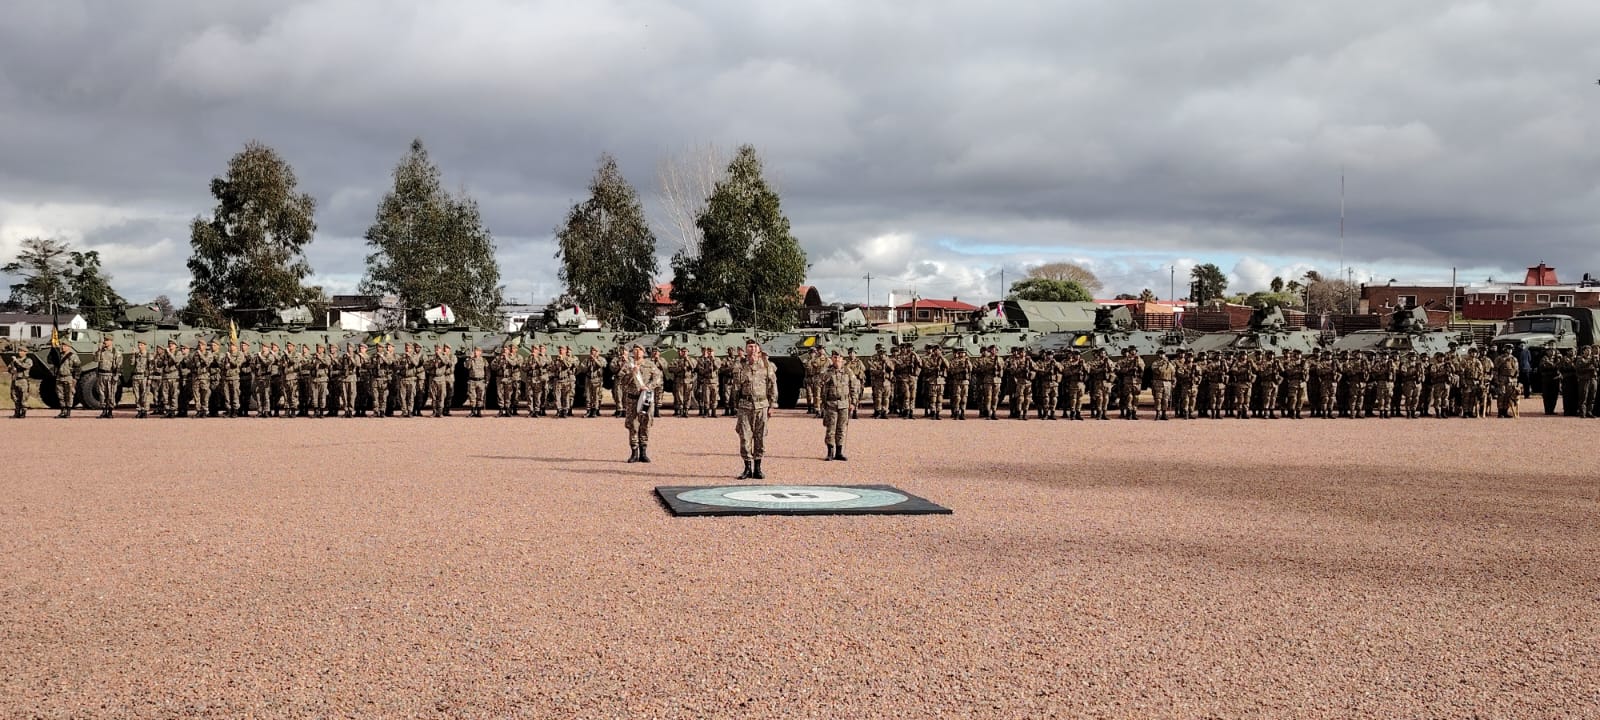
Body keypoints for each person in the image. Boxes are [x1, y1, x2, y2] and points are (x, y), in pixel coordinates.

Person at [733, 339, 777, 479]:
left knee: (760, 437)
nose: (752, 349)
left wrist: (772, 405)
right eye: (749, 347)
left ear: (758, 349)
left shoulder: (767, 366)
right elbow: (736, 386)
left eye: (754, 347)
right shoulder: (740, 366)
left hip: (762, 405)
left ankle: (758, 468)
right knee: (745, 438)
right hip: (745, 406)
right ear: (746, 350)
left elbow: (772, 386)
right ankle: (747, 468)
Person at [619, 344, 663, 462]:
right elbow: (621, 381)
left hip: (646, 397)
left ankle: (643, 452)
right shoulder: (628, 365)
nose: (637, 352)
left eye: (639, 350)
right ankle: (634, 453)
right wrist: (631, 373)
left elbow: (658, 378)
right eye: (635, 350)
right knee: (633, 425)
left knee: (645, 423)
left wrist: (648, 387)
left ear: (643, 352)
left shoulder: (650, 365)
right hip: (632, 398)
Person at [819, 351, 861, 460]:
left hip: (844, 403)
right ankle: (830, 452)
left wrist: (853, 402)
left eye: (839, 357)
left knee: (841, 428)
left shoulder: (848, 371)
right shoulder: (827, 371)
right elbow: (821, 384)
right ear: (832, 359)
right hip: (831, 404)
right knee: (831, 428)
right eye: (835, 357)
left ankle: (839, 452)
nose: (837, 359)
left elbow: (854, 387)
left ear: (842, 359)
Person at [94, 337, 119, 419]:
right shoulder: (101, 351)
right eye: (105, 340)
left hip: (110, 375)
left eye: (107, 340)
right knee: (102, 393)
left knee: (111, 393)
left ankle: (110, 411)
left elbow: (119, 366)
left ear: (111, 341)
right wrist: (98, 350)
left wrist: (116, 377)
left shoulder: (116, 352)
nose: (105, 342)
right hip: (101, 375)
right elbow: (95, 360)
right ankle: (104, 410)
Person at [8, 348, 34, 418]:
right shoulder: (15, 360)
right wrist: (11, 369)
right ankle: (17, 412)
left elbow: (24, 366)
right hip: (15, 380)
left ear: (26, 352)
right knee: (15, 397)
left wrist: (16, 361)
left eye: (22, 351)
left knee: (23, 397)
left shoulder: (28, 360)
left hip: (23, 380)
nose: (20, 353)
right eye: (19, 351)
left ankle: (23, 412)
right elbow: (10, 368)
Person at [130, 340, 152, 419]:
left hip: (144, 377)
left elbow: (151, 367)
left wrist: (150, 378)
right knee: (137, 395)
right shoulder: (136, 355)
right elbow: (132, 364)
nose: (139, 346)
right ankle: (139, 410)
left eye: (141, 345)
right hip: (136, 377)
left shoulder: (148, 355)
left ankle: (145, 410)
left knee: (145, 395)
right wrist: (132, 355)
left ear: (145, 345)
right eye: (139, 345)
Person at [465, 347, 488, 417]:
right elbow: (467, 367)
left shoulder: (484, 360)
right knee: (472, 397)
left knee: (480, 397)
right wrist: (470, 358)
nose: (475, 352)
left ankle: (479, 411)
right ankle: (472, 411)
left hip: (481, 381)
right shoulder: (470, 360)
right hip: (472, 380)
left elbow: (487, 371)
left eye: (477, 351)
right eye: (475, 351)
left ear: (480, 352)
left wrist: (487, 380)